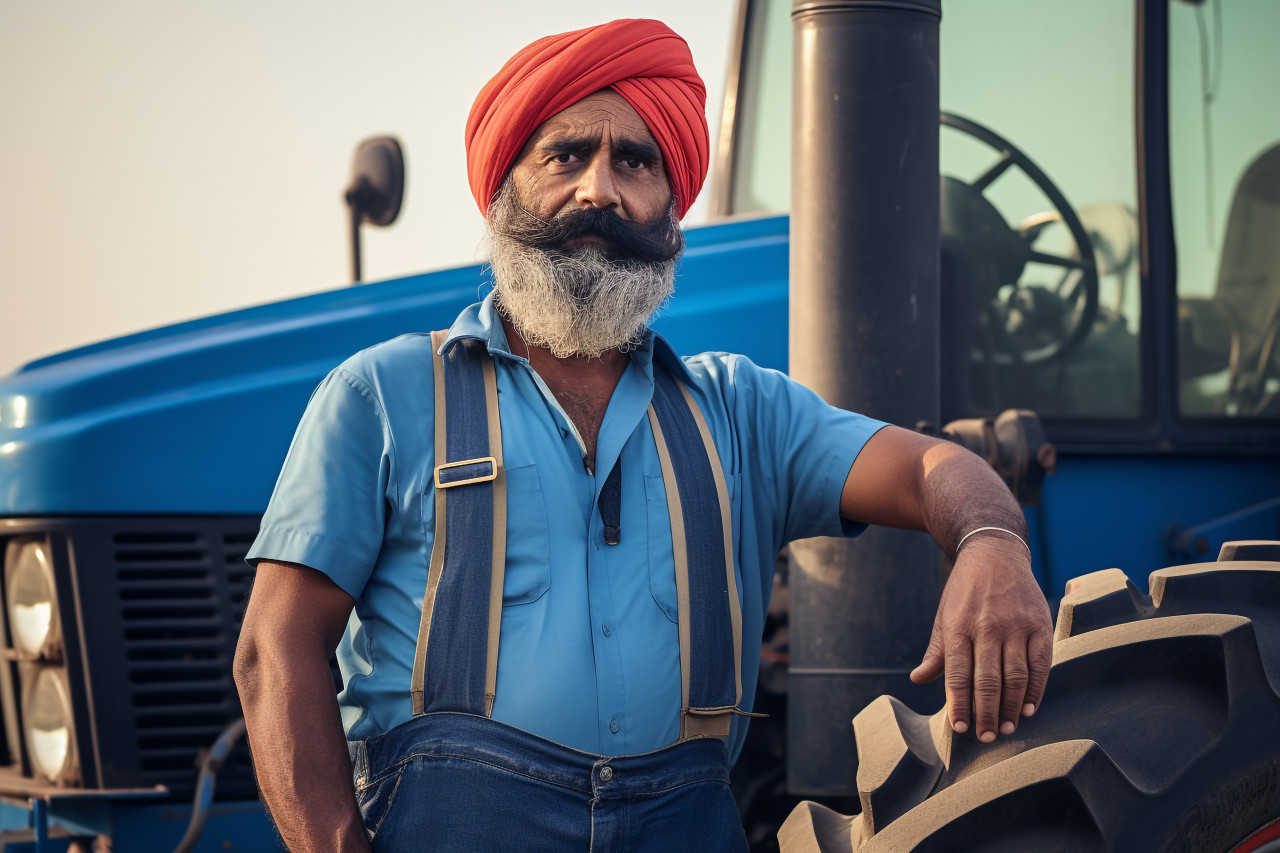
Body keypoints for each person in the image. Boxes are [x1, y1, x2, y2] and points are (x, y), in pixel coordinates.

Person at [233, 18, 1053, 853]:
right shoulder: (381, 394)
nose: (600, 188)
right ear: (505, 187)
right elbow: (275, 646)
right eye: (565, 155)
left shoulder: (741, 411)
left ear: (671, 202)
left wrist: (991, 542)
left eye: (635, 160)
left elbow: (932, 467)